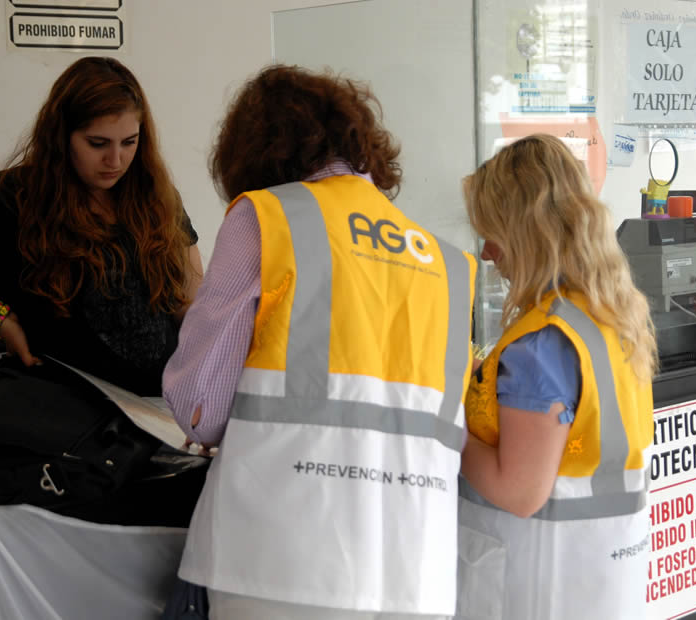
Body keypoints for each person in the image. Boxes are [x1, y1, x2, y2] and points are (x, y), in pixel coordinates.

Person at [163, 64, 477, 619]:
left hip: (281, 559)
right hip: (415, 567)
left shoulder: (268, 218)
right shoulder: (448, 265)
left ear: (257, 150)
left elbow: (200, 409)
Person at [456, 134, 657, 620]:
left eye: (493, 233)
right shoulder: (610, 319)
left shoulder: (541, 347)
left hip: (535, 585)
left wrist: (442, 427)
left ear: (526, 234)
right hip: (600, 581)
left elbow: (519, 491)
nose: (486, 253)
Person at [0, 56, 202, 395]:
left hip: (160, 409)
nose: (115, 161)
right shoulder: (13, 196)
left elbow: (190, 303)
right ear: (61, 136)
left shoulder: (156, 195)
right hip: (63, 409)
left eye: (129, 142)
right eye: (97, 143)